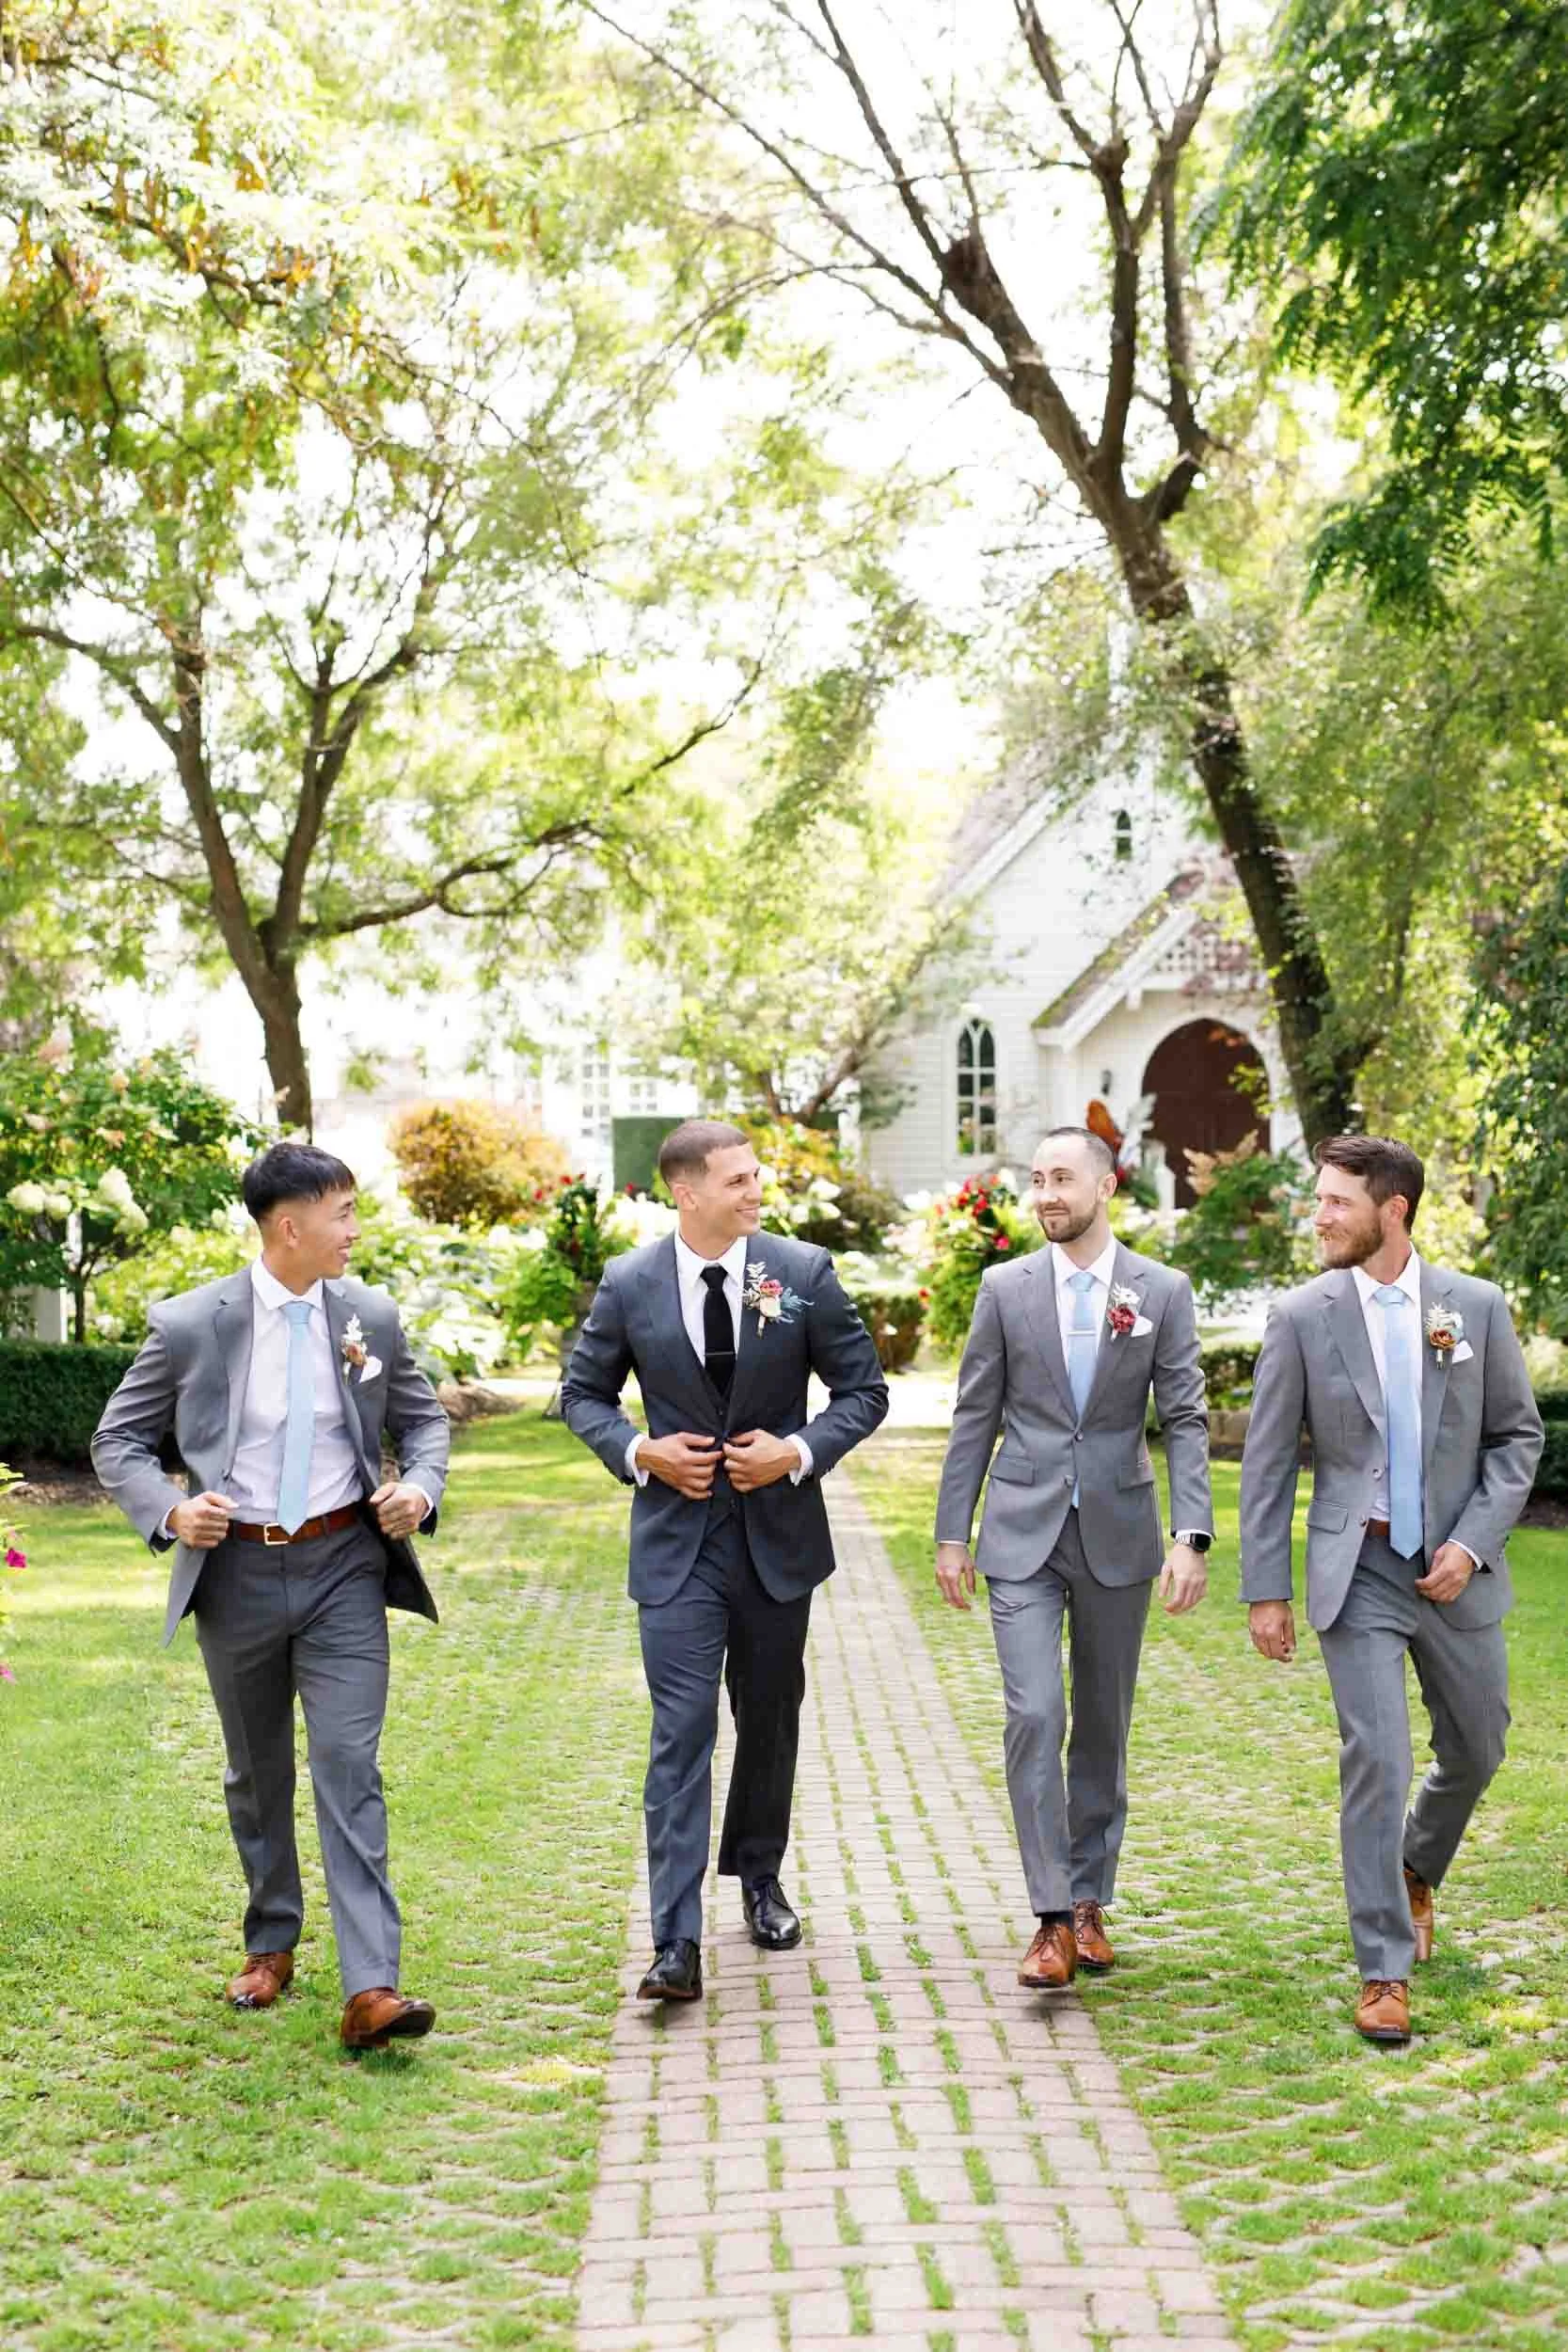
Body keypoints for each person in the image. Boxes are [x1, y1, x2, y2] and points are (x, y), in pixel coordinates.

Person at [91, 1142, 451, 2052]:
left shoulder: (368, 1313)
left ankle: (372, 1985)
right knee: (257, 1774)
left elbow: (421, 1421)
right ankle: (270, 1943)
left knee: (347, 1766)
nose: (355, 1231)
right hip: (238, 1574)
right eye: (342, 1215)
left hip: (343, 1570)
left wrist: (421, 1488)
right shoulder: (187, 1324)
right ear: (288, 1227)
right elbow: (118, 1442)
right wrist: (173, 1511)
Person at [561, 1120, 888, 2002]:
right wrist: (639, 1453)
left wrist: (798, 1450)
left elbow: (865, 1392)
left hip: (777, 1543)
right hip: (675, 1545)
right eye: (737, 1181)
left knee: (769, 1717)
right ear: (686, 1192)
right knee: (680, 1732)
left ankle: (759, 1874)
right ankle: (676, 1941)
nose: (755, 1193)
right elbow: (580, 1395)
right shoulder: (630, 1282)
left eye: (756, 1178)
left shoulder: (801, 1273)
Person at [1241, 1135, 1543, 2044]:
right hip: (1356, 1566)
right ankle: (1382, 1966)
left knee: (1478, 1746)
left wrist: (1471, 1544)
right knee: (1377, 1757)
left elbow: (1515, 1440)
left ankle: (1416, 1869)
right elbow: (1263, 1464)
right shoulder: (1300, 1316)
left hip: (1452, 1569)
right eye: (1319, 1198)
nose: (1319, 1215)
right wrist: (1265, 1589)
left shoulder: (1475, 1309)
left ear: (1393, 1209)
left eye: (1336, 1201)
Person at [934, 1127, 1212, 1991]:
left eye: (1061, 1179)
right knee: (1035, 1715)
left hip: (1119, 1533)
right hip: (1020, 1530)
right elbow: (974, 1413)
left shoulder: (1159, 1291)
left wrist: (1190, 1535)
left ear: (1105, 1185)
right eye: (1036, 1180)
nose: (1046, 1194)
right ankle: (1049, 1917)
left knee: (1101, 1725)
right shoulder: (1004, 1289)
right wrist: (954, 1531)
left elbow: (1187, 1418)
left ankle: (1090, 1900)